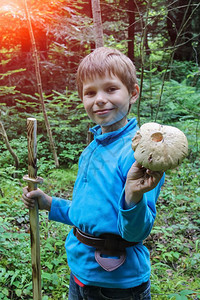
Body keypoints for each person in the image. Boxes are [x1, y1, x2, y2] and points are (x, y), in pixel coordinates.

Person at [22, 47, 165, 300]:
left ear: (133, 93)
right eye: (90, 92)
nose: (99, 99)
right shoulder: (93, 148)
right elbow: (89, 212)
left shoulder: (140, 155)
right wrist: (49, 204)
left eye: (110, 89)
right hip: (80, 272)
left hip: (116, 284)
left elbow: (137, 232)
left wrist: (133, 196)